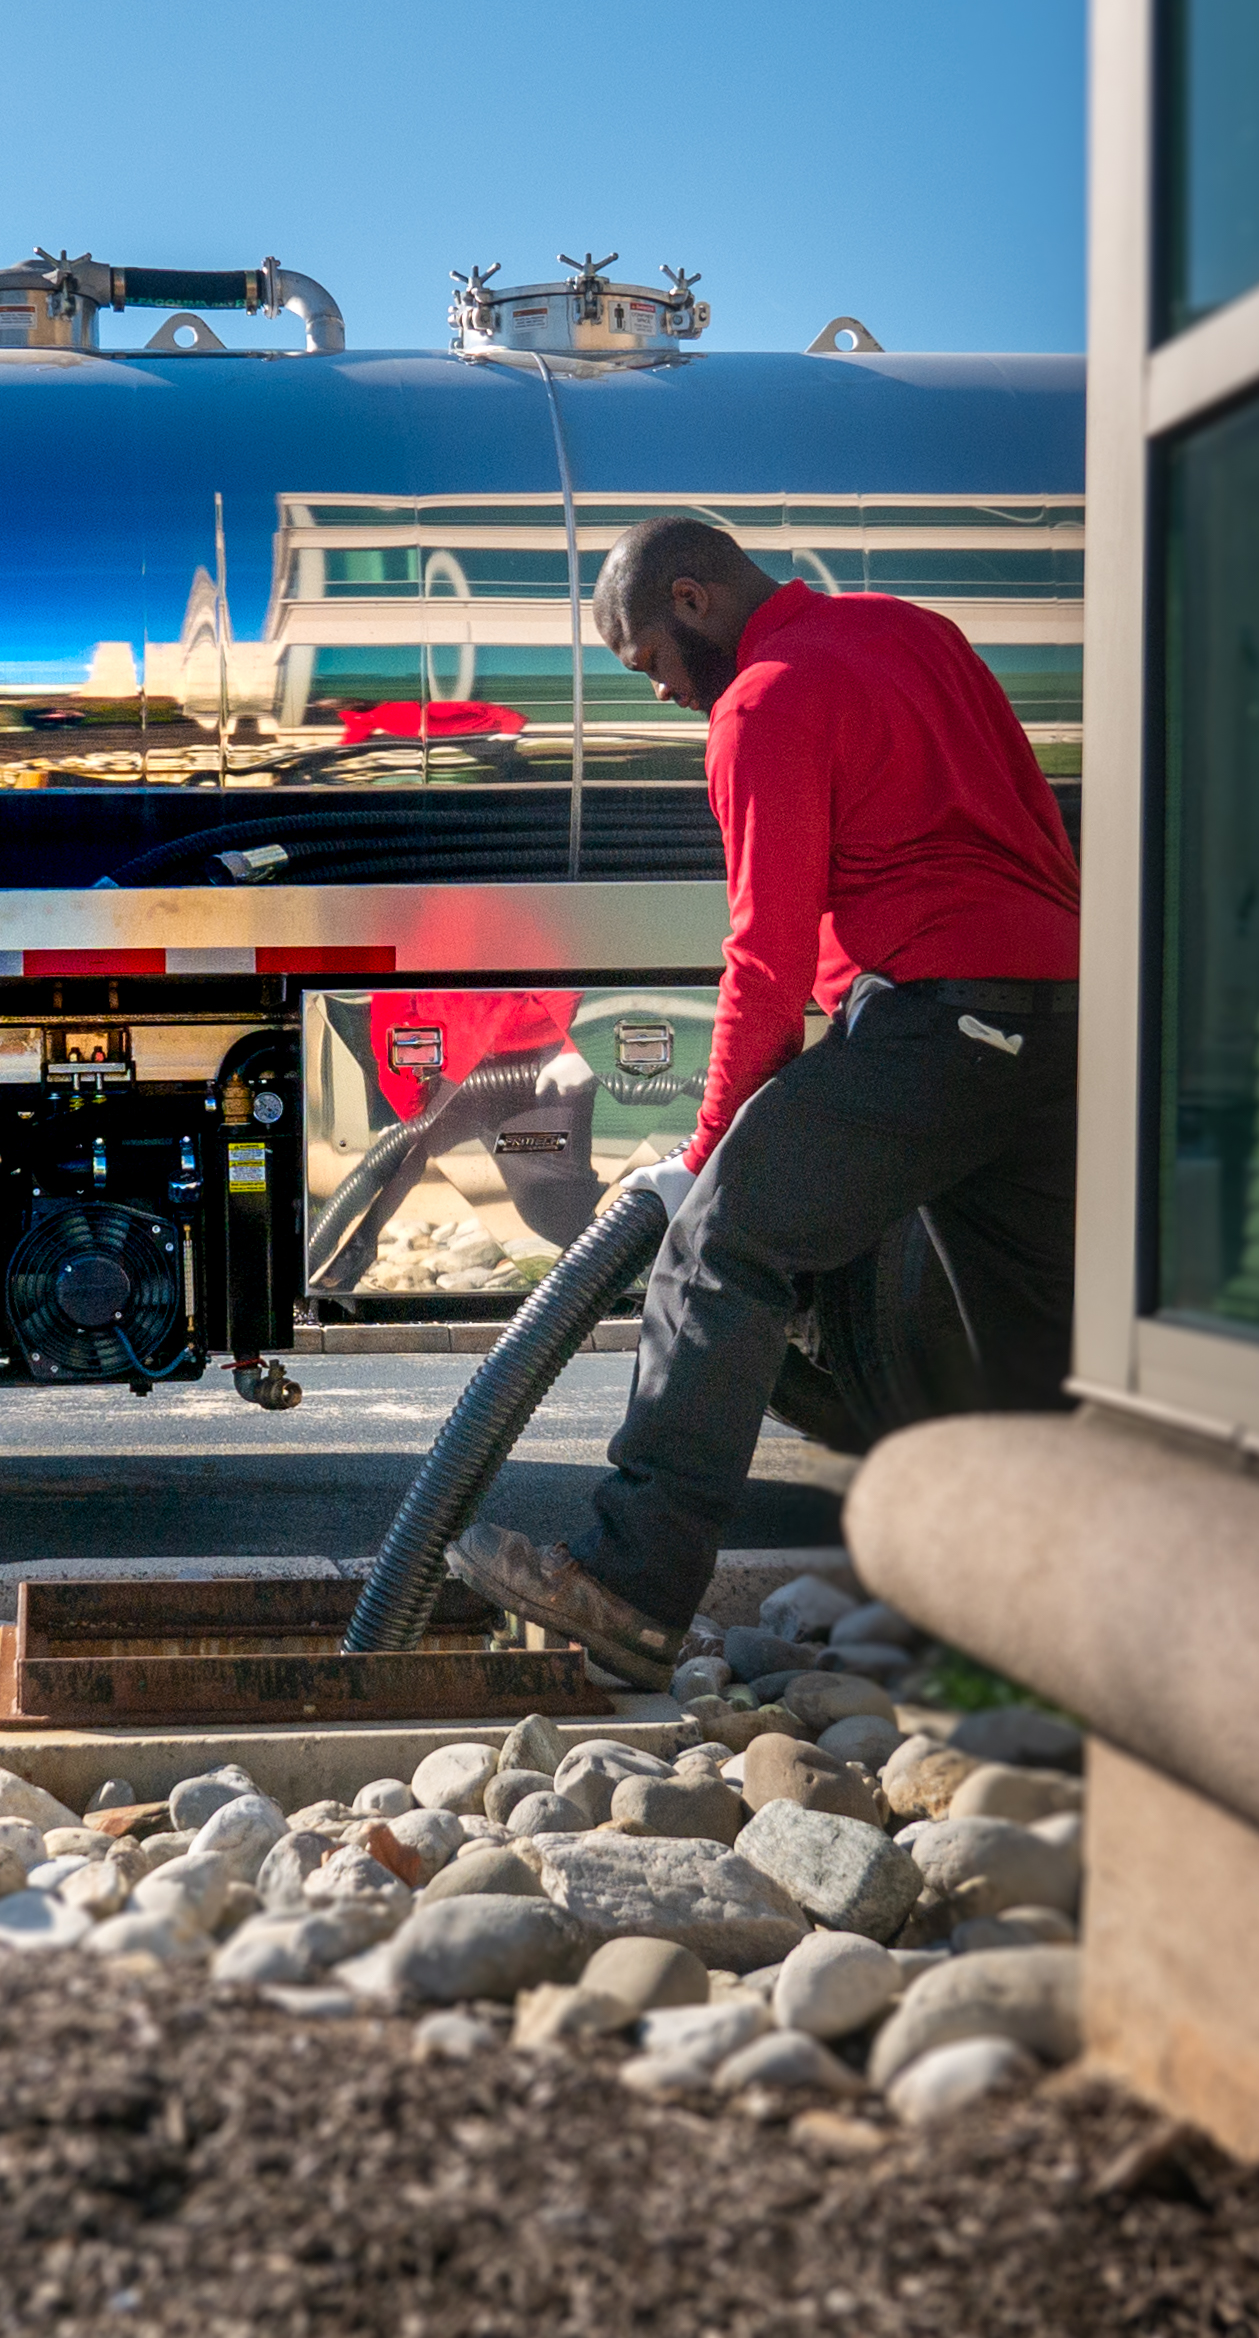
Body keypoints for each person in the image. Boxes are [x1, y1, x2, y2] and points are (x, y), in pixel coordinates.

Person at [445, 516, 1081, 1686]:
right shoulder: (912, 631)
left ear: (691, 599)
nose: (663, 696)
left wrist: (703, 1154)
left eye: (649, 664)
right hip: (1055, 1012)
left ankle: (632, 1588)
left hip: (936, 1011)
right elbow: (1032, 829)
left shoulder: (761, 702)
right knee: (1022, 1329)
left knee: (718, 1248)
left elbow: (763, 957)